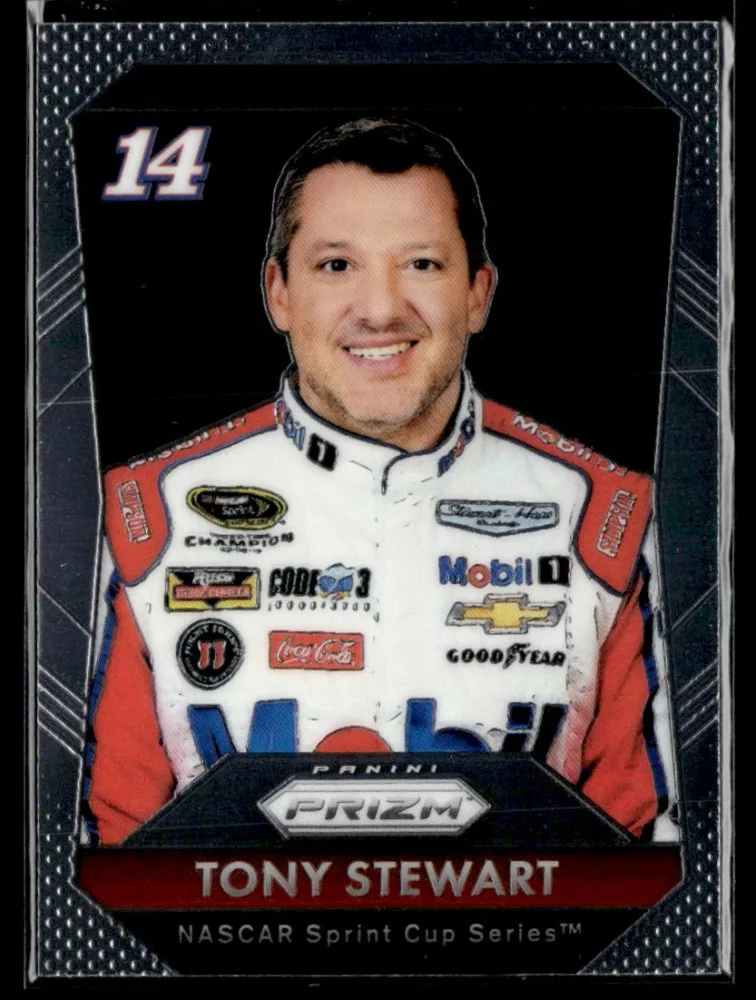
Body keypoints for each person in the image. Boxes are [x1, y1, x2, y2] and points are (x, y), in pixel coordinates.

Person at [81, 118, 677, 846]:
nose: (381, 308)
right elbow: (104, 861)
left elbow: (646, 860)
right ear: (278, 293)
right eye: (337, 265)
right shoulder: (145, 520)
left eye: (421, 263)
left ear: (479, 293)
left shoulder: (607, 519)